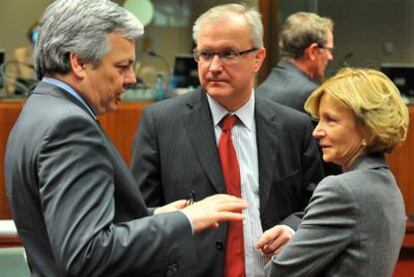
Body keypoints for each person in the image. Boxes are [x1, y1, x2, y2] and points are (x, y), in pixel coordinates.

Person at [4, 1, 248, 276]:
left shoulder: (39, 109)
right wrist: (185, 220)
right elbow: (87, 253)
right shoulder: (69, 127)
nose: (132, 78)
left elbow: (67, 229)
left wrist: (153, 218)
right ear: (79, 62)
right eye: (122, 66)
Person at [130, 4, 324, 277]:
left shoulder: (293, 126)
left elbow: (316, 205)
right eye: (206, 54)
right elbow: (138, 217)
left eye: (228, 54)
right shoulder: (160, 123)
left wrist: (293, 227)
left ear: (258, 58)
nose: (214, 67)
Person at [257, 68, 409, 277]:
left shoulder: (340, 190)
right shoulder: (387, 185)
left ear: (366, 128)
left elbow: (277, 274)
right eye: (319, 119)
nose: (317, 131)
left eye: (331, 120)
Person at [256, 12, 334, 113]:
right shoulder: (311, 95)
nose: (330, 57)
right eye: (329, 50)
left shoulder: (260, 90)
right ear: (313, 51)